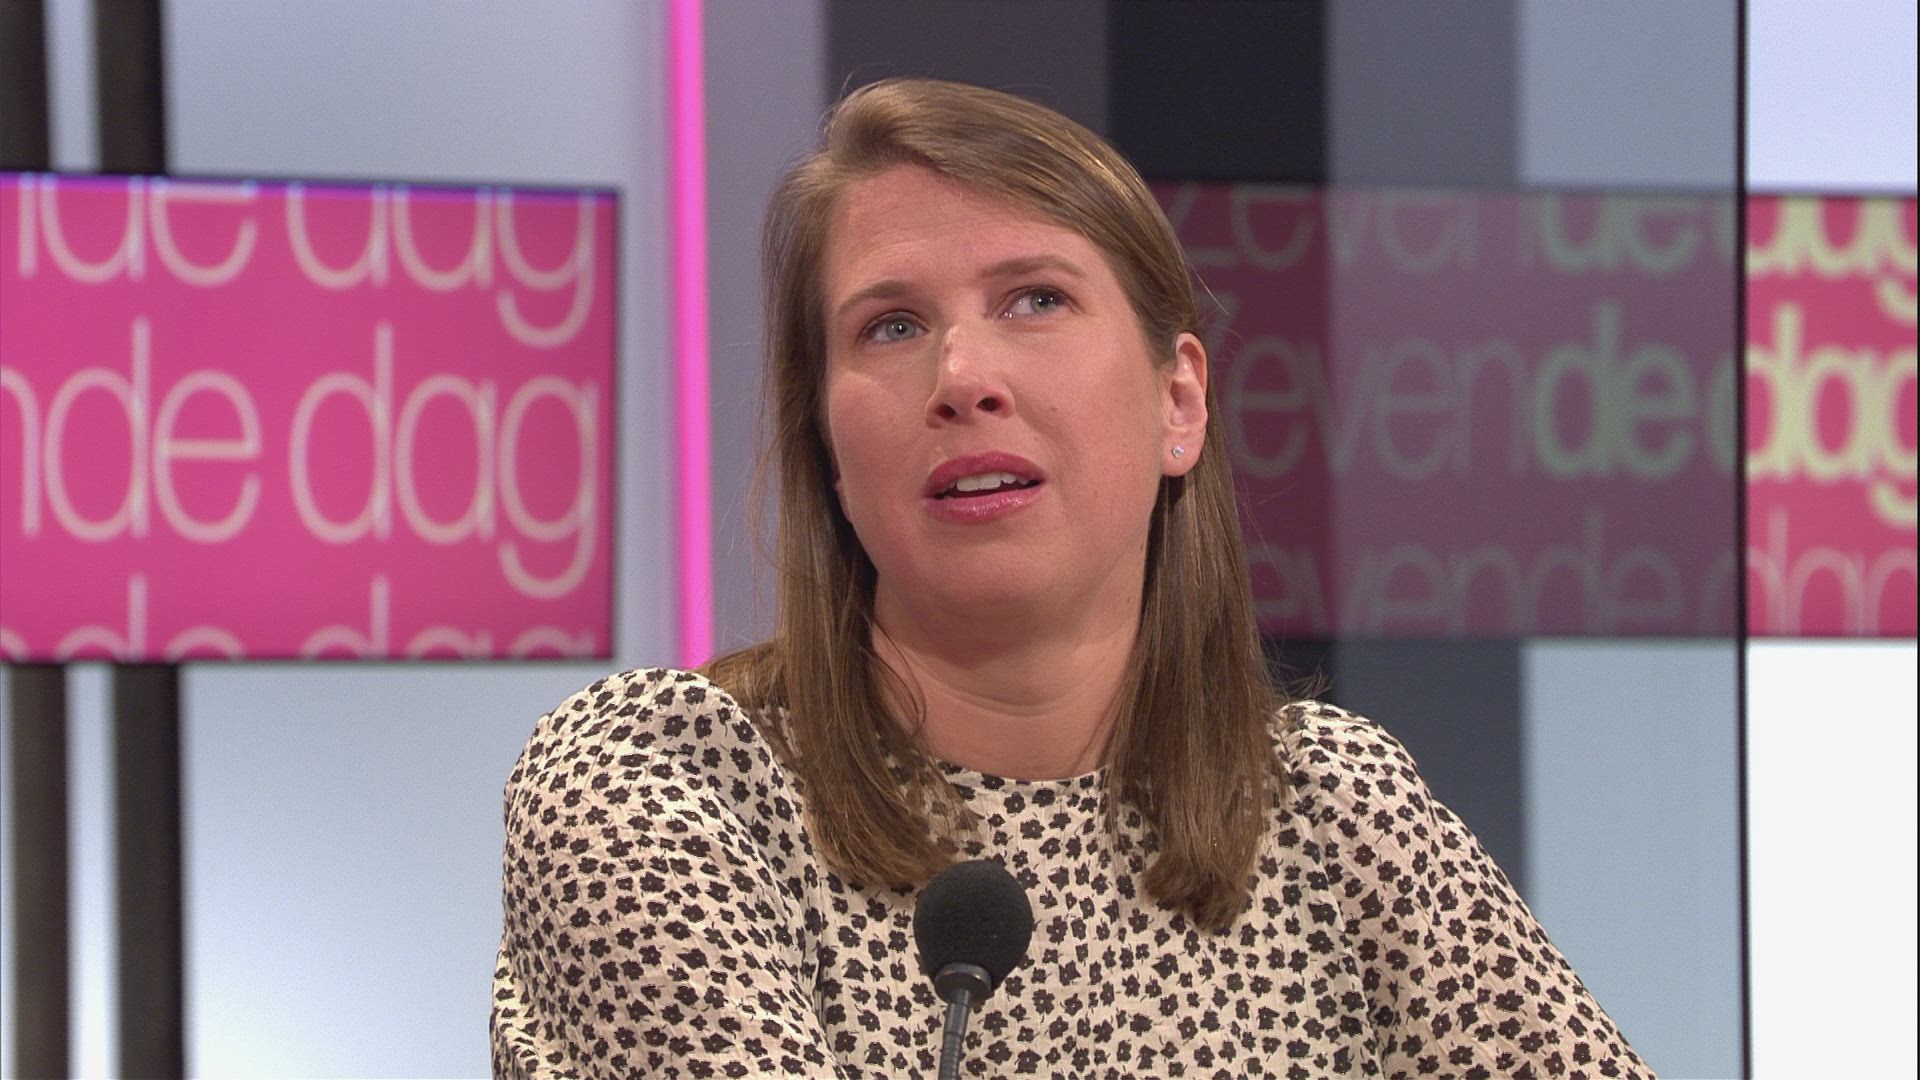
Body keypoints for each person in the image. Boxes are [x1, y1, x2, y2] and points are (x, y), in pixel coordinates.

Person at [490, 78, 1652, 1079]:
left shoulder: (1333, 809)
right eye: (891, 327)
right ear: (829, 448)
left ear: (1179, 402)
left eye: (1035, 300)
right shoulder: (664, 783)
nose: (963, 377)